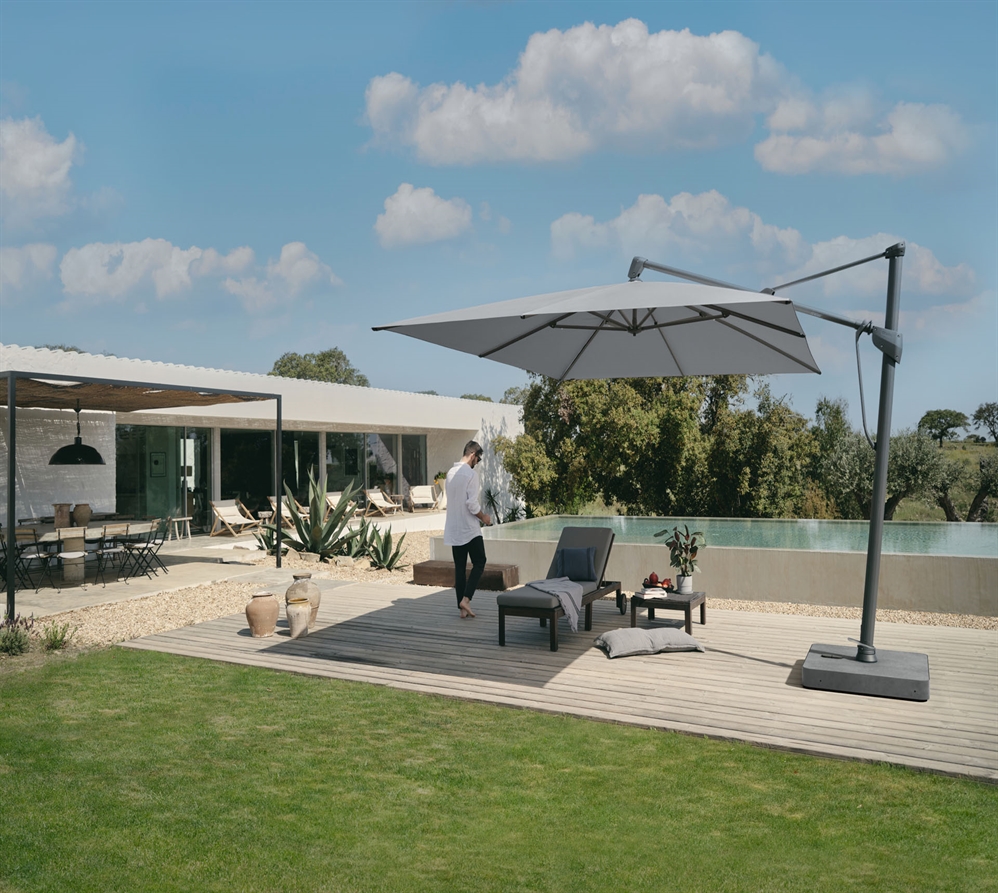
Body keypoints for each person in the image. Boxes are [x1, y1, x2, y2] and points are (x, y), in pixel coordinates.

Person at [443, 440, 492, 618]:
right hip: (469, 529)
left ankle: (462, 609)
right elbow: (471, 504)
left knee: (460, 568)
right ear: (472, 455)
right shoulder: (470, 475)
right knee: (480, 561)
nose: (477, 463)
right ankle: (466, 599)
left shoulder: (450, 473)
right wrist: (484, 518)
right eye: (478, 459)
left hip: (454, 528)